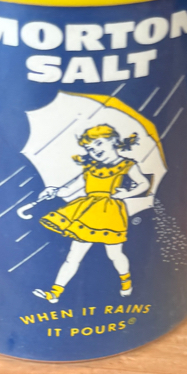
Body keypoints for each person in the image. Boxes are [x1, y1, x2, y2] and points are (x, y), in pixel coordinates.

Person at [32, 124, 150, 304]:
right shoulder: (90, 168)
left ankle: (126, 281)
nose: (95, 150)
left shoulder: (127, 165)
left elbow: (143, 184)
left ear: (113, 141)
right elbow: (69, 189)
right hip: (87, 214)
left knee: (114, 254)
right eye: (90, 148)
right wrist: (54, 191)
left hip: (110, 214)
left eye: (99, 144)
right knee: (73, 256)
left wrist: (125, 194)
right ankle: (55, 293)